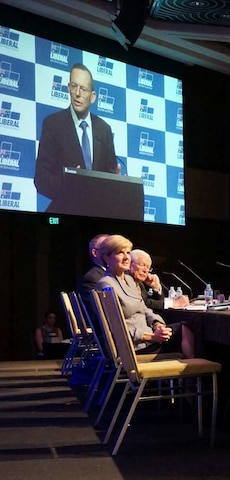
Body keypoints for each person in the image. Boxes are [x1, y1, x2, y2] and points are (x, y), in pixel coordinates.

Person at [34, 64, 120, 205]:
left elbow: (109, 176)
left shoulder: (104, 130)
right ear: (68, 88)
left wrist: (116, 181)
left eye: (83, 89)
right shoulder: (53, 125)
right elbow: (41, 178)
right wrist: (68, 183)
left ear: (92, 97)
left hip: (98, 214)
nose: (77, 93)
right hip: (67, 213)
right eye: (74, 86)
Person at [96, 235, 194, 358]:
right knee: (186, 329)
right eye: (120, 253)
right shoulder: (106, 284)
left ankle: (193, 372)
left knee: (186, 327)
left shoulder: (129, 280)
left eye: (128, 252)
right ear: (106, 257)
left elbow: (144, 308)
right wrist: (153, 337)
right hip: (134, 346)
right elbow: (115, 328)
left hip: (148, 338)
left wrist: (158, 324)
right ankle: (197, 372)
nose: (126, 257)